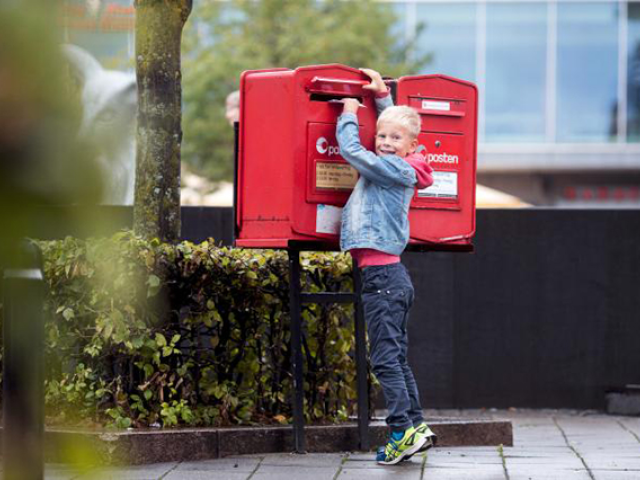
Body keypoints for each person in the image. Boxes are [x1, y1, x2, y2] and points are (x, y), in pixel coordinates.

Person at [336, 68, 437, 465]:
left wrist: (347, 113)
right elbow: (393, 128)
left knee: (383, 360)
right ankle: (416, 426)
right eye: (382, 136)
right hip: (390, 277)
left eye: (396, 139)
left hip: (382, 278)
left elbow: (352, 153)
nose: (386, 142)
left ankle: (400, 432)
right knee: (395, 358)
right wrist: (381, 97)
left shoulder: (395, 168)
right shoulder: (402, 159)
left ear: (413, 146)